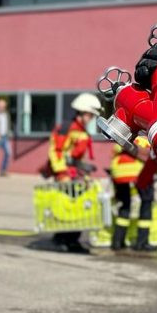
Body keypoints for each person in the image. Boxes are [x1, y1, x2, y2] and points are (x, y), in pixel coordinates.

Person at [46, 92, 101, 253]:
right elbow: (56, 151)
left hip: (76, 174)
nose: (91, 118)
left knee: (78, 208)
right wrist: (61, 173)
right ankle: (62, 239)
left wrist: (85, 171)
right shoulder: (66, 128)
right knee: (67, 208)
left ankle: (71, 239)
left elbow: (77, 155)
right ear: (82, 112)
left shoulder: (82, 130)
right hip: (65, 175)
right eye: (90, 115)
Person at [108, 138, 157, 253]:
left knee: (125, 205)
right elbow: (152, 157)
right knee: (146, 203)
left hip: (118, 172)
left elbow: (115, 150)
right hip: (138, 172)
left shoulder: (127, 136)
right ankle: (141, 243)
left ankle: (117, 242)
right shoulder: (147, 141)